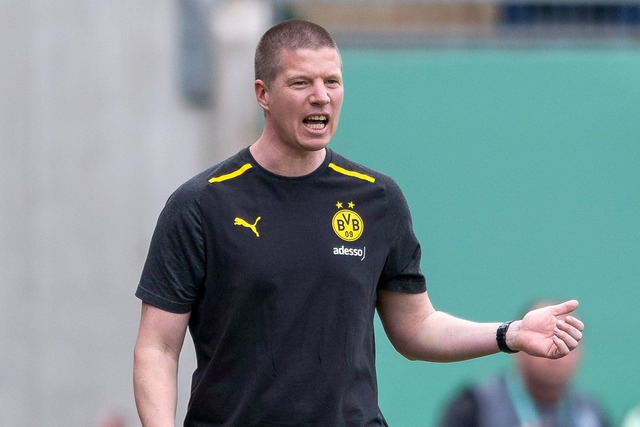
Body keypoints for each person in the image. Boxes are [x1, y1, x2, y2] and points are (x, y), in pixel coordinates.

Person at [133, 19, 585, 426]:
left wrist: (510, 334)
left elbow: (415, 327)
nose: (321, 96)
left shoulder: (377, 199)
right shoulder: (200, 204)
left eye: (332, 80)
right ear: (262, 94)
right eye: (301, 82)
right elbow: (157, 347)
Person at [439, 300, 608, 427]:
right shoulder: (474, 405)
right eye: (550, 338)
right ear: (518, 350)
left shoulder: (592, 412)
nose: (559, 353)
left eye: (570, 342)